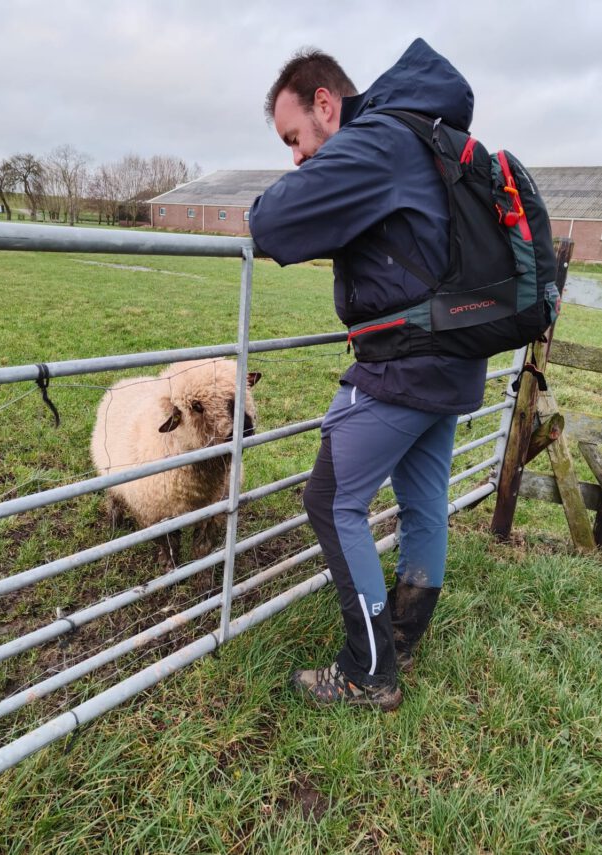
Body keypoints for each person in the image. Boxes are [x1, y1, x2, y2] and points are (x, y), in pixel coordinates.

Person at [249, 39, 487, 711]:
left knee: (329, 501)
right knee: (420, 499)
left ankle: (369, 669)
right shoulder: (423, 132)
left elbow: (273, 221)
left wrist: (276, 206)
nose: (295, 156)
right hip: (451, 357)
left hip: (405, 363)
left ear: (325, 103)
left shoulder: (377, 139)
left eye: (294, 136)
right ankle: (402, 633)